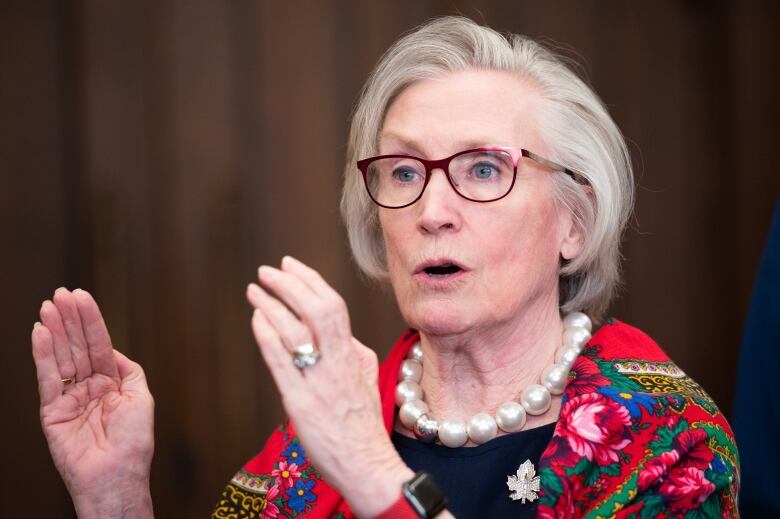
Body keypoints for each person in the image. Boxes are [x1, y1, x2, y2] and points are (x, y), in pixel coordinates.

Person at [32, 17, 739, 519]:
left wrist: (376, 477)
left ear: (573, 220)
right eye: (404, 172)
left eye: (484, 167)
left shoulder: (666, 440)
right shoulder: (317, 445)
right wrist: (116, 497)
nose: (432, 209)